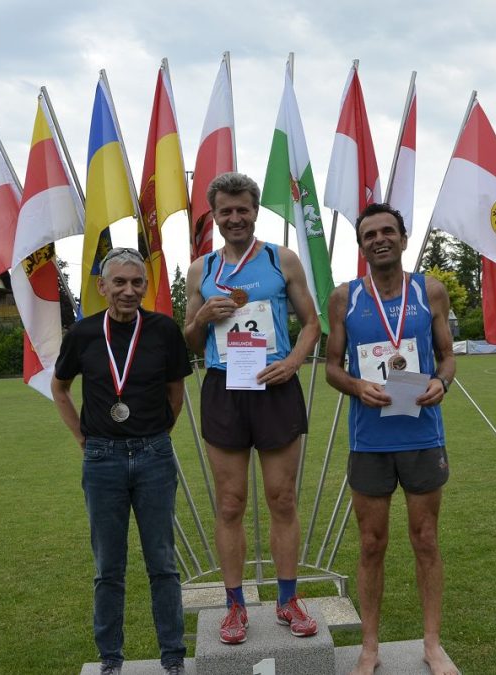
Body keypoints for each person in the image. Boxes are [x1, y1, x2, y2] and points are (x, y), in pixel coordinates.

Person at [183, 172, 321, 644]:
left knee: (282, 498)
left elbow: (311, 323)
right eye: (226, 211)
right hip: (224, 388)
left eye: (243, 209)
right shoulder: (201, 270)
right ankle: (235, 606)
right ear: (215, 216)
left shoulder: (282, 259)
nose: (235, 217)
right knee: (230, 502)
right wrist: (203, 317)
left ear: (255, 211)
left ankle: (288, 599)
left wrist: (293, 362)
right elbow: (190, 340)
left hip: (274, 384)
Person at [325, 203, 460, 675]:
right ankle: (369, 646)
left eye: (388, 231)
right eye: (370, 235)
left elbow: (447, 356)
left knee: (426, 539)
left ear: (403, 239)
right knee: (371, 543)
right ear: (361, 247)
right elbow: (332, 367)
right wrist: (356, 386)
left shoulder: (430, 291)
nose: (379, 239)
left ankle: (432, 643)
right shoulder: (344, 298)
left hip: (422, 435)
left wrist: (442, 382)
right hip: (370, 441)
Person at [52, 247, 191, 675]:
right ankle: (110, 658)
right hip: (102, 460)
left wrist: (157, 435)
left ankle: (173, 656)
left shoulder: (164, 330)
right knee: (108, 568)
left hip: (154, 456)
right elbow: (60, 388)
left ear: (145, 287)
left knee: (162, 563)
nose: (128, 291)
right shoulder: (83, 333)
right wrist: (83, 438)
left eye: (136, 283)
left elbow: (176, 392)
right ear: (102, 286)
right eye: (119, 282)